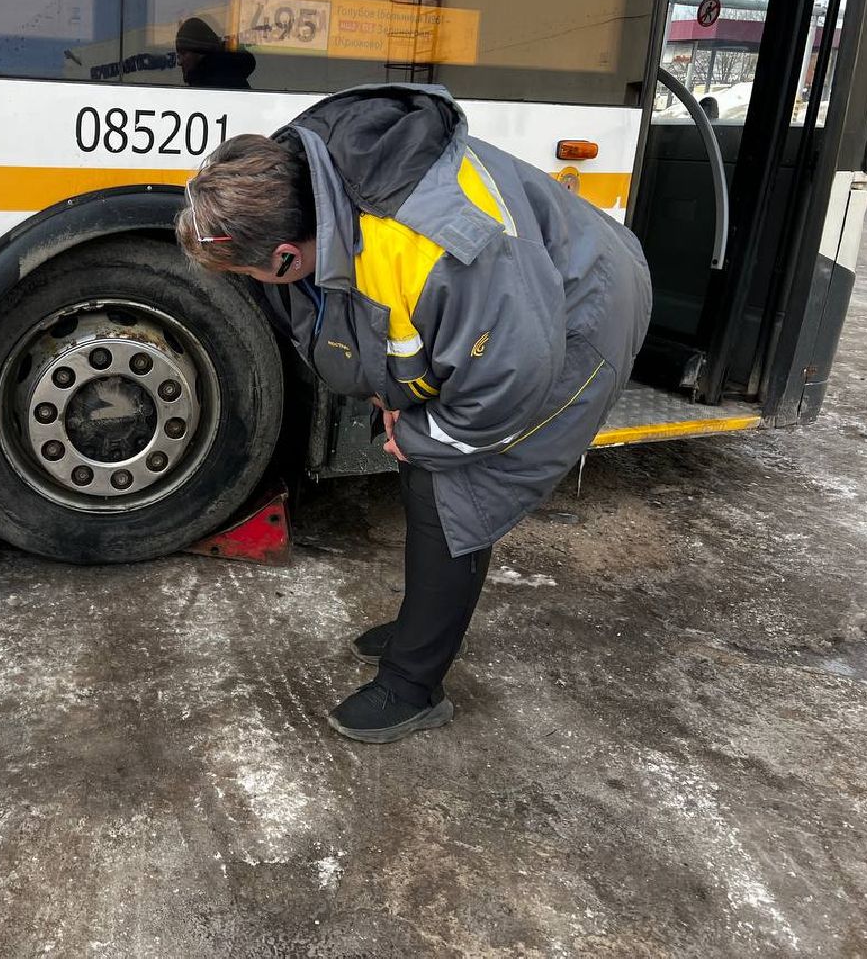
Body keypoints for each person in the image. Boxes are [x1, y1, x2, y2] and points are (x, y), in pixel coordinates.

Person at [177, 84, 652, 745]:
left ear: (286, 255)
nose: (254, 286)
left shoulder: (433, 245)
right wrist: (391, 401)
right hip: (502, 323)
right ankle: (421, 624)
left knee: (457, 491)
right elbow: (365, 326)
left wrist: (428, 434)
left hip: (577, 316)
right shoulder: (315, 197)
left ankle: (413, 684)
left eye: (254, 274)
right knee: (426, 473)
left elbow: (508, 377)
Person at [175, 16, 256, 90]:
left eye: (183, 53)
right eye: (179, 54)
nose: (179, 62)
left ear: (201, 52)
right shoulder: (228, 76)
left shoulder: (210, 85)